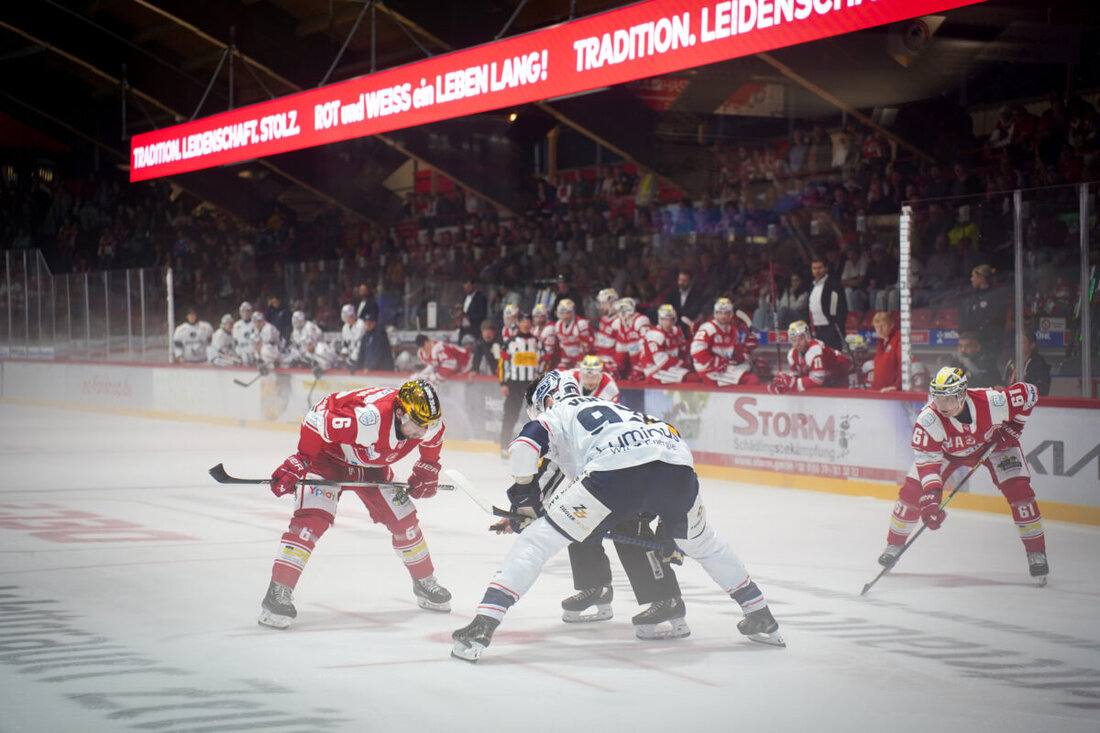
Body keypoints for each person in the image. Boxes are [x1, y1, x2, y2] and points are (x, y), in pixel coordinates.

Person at [451, 372, 784, 662]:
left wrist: (523, 499)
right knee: (705, 544)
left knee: (537, 542)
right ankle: (761, 616)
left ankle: (482, 627)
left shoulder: (559, 411)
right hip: (678, 470)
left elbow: (524, 446)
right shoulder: (620, 409)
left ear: (549, 398)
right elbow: (564, 480)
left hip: (615, 475)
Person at [258, 379, 452, 628]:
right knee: (311, 522)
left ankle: (425, 582)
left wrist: (428, 467)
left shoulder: (426, 420)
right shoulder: (368, 419)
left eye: (427, 426)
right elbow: (318, 420)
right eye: (416, 425)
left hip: (370, 466)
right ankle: (278, 591)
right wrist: (302, 458)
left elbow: (433, 439)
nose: (421, 432)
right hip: (327, 458)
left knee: (404, 520)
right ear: (400, 412)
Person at [875, 367, 1048, 581]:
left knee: (1021, 494)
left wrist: (1014, 428)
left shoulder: (992, 402)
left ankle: (1036, 551)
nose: (942, 405)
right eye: (938, 398)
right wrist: (931, 498)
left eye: (948, 399)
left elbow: (1030, 393)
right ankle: (893, 546)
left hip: (993, 446)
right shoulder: (928, 420)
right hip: (948, 453)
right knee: (912, 492)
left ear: (962, 394)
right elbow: (928, 462)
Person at [498, 311, 543, 457]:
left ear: (531, 324)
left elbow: (544, 361)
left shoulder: (538, 343)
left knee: (536, 417)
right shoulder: (510, 342)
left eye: (528, 321)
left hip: (533, 385)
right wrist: (503, 383)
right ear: (518, 323)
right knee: (510, 415)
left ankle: (537, 447)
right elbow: (502, 364)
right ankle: (504, 447)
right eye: (522, 321)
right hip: (514, 383)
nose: (525, 324)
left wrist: (540, 375)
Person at [690, 298, 762, 387]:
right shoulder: (708, 328)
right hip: (709, 371)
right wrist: (716, 363)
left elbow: (734, 356)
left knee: (752, 378)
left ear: (731, 314)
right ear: (715, 313)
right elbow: (696, 352)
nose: (723, 316)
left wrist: (746, 349)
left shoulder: (732, 331)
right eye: (720, 312)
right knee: (751, 381)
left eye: (726, 313)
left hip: (724, 369)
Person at [769, 320, 852, 393]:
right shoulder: (792, 355)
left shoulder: (815, 349)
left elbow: (817, 379)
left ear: (807, 337)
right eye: (794, 340)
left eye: (800, 338)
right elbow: (796, 377)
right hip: (829, 378)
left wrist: (792, 385)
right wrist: (783, 386)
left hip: (843, 374)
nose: (797, 343)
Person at [640, 303, 694, 384]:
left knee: (694, 375)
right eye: (664, 319)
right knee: (690, 378)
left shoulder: (677, 331)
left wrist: (693, 335)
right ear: (659, 319)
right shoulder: (654, 334)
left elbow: (684, 351)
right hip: (655, 370)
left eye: (671, 319)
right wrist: (682, 363)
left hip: (671, 367)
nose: (668, 323)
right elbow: (662, 362)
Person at [807, 257, 847, 351]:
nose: (817, 271)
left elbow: (842, 308)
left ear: (826, 268)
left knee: (834, 359)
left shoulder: (834, 285)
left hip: (831, 330)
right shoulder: (811, 286)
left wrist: (836, 326)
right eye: (814, 268)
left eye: (820, 268)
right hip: (816, 330)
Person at [613, 297, 652, 381]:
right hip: (634, 366)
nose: (620, 313)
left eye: (623, 310)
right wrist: (617, 366)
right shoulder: (620, 324)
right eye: (620, 310)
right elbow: (621, 351)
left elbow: (647, 346)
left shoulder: (640, 320)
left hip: (648, 365)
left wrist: (641, 366)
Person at [1003, 331, 1052, 396]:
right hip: (1011, 400)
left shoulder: (1038, 363)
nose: (1019, 345)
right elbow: (1005, 382)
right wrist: (1001, 387)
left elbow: (1041, 388)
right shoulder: (1011, 362)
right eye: (1017, 342)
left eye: (1023, 342)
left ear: (1032, 345)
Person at [551, 298, 593, 370]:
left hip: (583, 360)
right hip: (569, 359)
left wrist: (580, 362)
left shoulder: (580, 324)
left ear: (573, 312)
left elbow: (586, 347)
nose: (565, 316)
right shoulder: (558, 325)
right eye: (562, 313)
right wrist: (564, 362)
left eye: (568, 313)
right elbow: (563, 346)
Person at [593, 288, 623, 375]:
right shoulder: (603, 319)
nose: (601, 307)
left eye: (603, 303)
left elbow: (622, 350)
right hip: (600, 364)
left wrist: (614, 366)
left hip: (612, 367)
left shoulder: (619, 321)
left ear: (612, 303)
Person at [870, 311, 901, 391]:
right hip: (878, 391)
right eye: (877, 327)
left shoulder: (898, 339)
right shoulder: (881, 343)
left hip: (891, 392)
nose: (879, 330)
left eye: (883, 326)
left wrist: (896, 386)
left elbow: (902, 365)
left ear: (891, 325)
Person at [459, 278, 488, 343]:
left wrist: (469, 317)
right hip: (464, 328)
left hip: (475, 329)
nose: (466, 290)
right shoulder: (465, 296)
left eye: (468, 287)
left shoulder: (481, 297)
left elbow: (482, 314)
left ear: (474, 285)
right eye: (465, 288)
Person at [339, 304, 366, 368]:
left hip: (361, 355)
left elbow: (358, 342)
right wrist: (344, 354)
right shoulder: (345, 327)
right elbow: (345, 343)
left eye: (351, 316)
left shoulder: (361, 324)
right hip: (350, 355)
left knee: (358, 346)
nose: (348, 318)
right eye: (346, 316)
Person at [233, 301, 257, 366]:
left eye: (248, 311)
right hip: (242, 354)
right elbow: (235, 342)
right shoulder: (236, 325)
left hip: (254, 353)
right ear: (240, 312)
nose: (246, 313)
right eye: (244, 311)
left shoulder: (256, 323)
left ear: (251, 312)